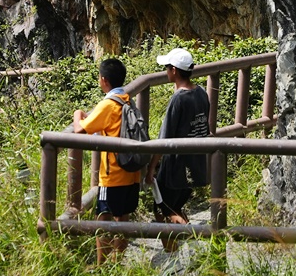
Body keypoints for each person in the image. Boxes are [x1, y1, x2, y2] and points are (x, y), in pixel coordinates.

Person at [73, 58, 139, 264]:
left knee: (103, 218)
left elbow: (80, 129)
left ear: (103, 80)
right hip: (132, 171)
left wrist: (78, 114)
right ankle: (116, 262)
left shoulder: (108, 105)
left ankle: (102, 266)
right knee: (124, 218)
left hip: (112, 175)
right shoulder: (127, 99)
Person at [146, 47, 210, 253]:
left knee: (162, 208)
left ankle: (174, 254)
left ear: (174, 70)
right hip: (196, 164)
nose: (165, 71)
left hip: (176, 167)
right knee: (176, 207)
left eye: (166, 67)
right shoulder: (201, 93)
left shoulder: (178, 99)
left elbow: (164, 139)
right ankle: (190, 251)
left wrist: (151, 168)